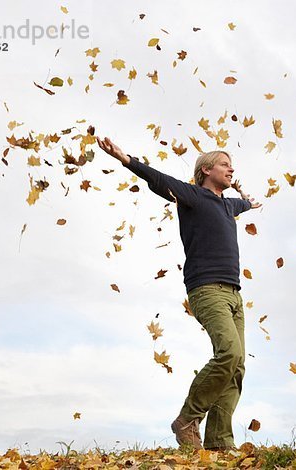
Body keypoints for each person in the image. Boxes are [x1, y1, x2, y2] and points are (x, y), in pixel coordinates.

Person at [96, 136, 261, 451]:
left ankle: (219, 441)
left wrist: (249, 201)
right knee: (229, 353)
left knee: (237, 365)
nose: (231, 168)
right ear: (206, 169)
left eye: (231, 166)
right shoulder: (194, 197)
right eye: (225, 164)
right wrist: (126, 159)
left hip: (234, 293)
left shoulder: (228, 204)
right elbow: (160, 180)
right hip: (207, 288)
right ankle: (187, 418)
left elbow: (244, 204)